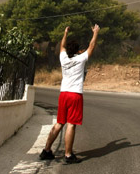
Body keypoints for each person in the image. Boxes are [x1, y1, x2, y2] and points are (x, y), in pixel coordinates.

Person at [39, 24, 100, 164]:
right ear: (78, 51)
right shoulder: (81, 59)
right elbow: (92, 46)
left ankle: (46, 150)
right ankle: (68, 155)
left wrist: (65, 33)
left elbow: (61, 46)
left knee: (60, 122)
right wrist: (95, 33)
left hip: (63, 94)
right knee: (71, 124)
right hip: (75, 94)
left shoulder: (63, 58)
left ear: (67, 51)